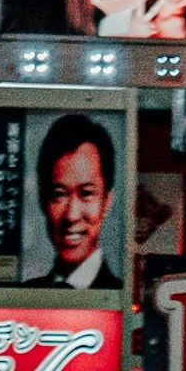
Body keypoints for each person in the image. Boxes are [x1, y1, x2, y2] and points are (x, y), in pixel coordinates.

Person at [29, 113, 116, 286]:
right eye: (59, 194)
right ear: (42, 200)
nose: (71, 215)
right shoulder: (24, 295)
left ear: (107, 201)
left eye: (86, 193)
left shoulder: (119, 294)